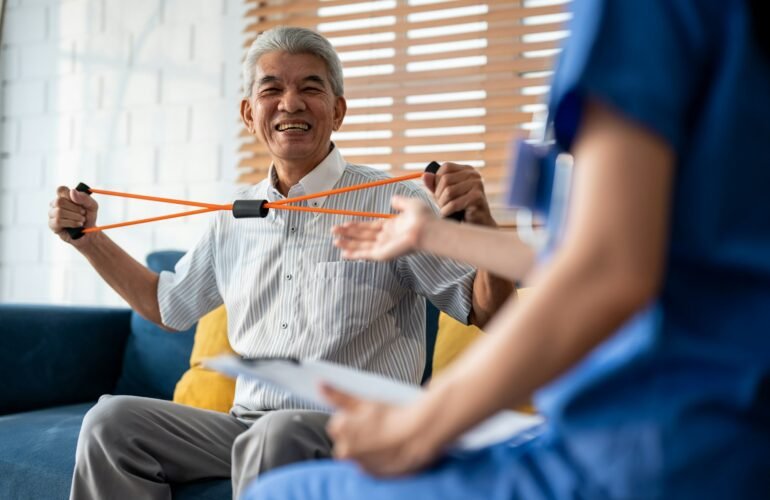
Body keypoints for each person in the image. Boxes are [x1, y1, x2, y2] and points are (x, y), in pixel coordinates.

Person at [244, 1, 770, 499]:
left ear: (338, 110)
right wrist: (437, 235)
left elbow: (608, 272)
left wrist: (415, 428)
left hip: (645, 444)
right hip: (724, 425)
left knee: (284, 491)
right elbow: (641, 260)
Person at [47, 26, 513, 499]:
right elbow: (167, 305)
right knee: (111, 422)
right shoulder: (235, 217)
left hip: (360, 431)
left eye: (311, 87)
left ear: (338, 111)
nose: (290, 103)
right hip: (247, 427)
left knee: (278, 432)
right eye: (272, 89)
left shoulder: (397, 200)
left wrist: (481, 227)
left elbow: (492, 312)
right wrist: (88, 239)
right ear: (250, 114)